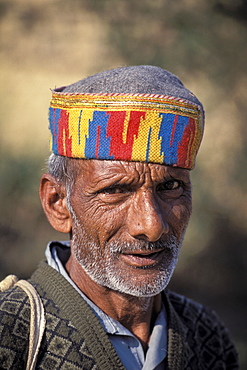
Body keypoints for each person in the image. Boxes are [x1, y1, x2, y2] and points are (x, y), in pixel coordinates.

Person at [0, 65, 238, 369]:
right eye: (116, 191)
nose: (151, 226)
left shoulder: (207, 336)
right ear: (58, 204)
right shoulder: (13, 334)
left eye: (170, 187)